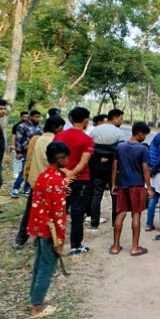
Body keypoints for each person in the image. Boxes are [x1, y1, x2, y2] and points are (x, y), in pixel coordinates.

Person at [27, 141, 70, 318]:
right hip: (50, 230)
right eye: (66, 158)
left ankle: (36, 295)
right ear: (60, 159)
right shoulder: (56, 181)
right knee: (47, 267)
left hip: (39, 226)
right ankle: (37, 307)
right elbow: (58, 213)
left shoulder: (45, 176)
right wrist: (59, 239)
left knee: (39, 263)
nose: (68, 161)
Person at [14, 116, 66, 249]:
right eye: (61, 127)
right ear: (56, 128)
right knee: (49, 214)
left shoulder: (38, 139)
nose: (63, 130)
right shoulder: (53, 142)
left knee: (31, 211)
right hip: (48, 183)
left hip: (35, 181)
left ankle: (21, 239)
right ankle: (41, 239)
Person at [54, 107, 93, 255]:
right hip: (81, 180)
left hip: (60, 179)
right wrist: (72, 174)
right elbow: (83, 163)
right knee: (77, 213)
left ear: (70, 119)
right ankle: (76, 246)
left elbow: (53, 158)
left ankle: (54, 242)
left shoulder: (59, 136)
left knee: (59, 211)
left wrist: (65, 173)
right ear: (85, 121)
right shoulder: (87, 139)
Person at [110, 122, 153, 256]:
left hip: (122, 185)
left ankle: (115, 246)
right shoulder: (142, 149)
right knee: (136, 214)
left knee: (121, 214)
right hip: (137, 185)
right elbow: (145, 169)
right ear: (139, 133)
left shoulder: (120, 146)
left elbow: (114, 167)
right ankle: (135, 247)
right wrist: (149, 187)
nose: (145, 137)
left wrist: (113, 184)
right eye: (145, 134)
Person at [88, 109, 125, 230]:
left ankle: (94, 224)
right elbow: (121, 152)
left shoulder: (95, 130)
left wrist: (99, 156)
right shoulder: (119, 133)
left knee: (96, 194)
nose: (121, 121)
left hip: (97, 167)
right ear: (115, 118)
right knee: (115, 194)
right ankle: (115, 223)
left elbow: (89, 149)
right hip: (113, 169)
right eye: (121, 118)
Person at [12, 110, 42, 198]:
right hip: (25, 151)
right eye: (36, 117)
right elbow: (18, 139)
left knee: (31, 171)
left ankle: (26, 189)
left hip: (36, 152)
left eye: (39, 117)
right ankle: (15, 188)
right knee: (24, 171)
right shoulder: (22, 126)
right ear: (31, 117)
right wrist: (18, 152)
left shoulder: (40, 127)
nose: (38, 119)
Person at [10, 111, 29, 178]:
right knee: (17, 159)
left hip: (27, 144)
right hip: (18, 144)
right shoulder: (16, 125)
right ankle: (15, 172)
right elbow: (13, 135)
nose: (26, 118)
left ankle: (24, 172)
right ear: (21, 117)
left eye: (27, 117)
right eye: (24, 117)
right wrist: (13, 144)